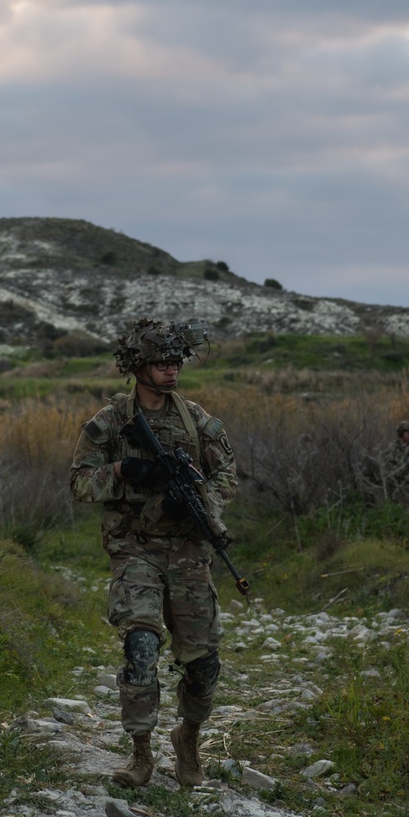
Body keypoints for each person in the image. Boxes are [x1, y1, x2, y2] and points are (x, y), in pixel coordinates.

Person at [70, 317, 237, 789]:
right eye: (161, 363)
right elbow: (80, 483)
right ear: (138, 367)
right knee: (141, 646)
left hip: (188, 550)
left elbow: (228, 474)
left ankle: (188, 738)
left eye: (175, 362)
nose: (171, 371)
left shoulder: (196, 419)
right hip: (135, 550)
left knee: (203, 662)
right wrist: (122, 470)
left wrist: (202, 499)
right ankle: (141, 752)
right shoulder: (109, 423)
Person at [371, 419, 409, 515]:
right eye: (407, 433)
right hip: (399, 484)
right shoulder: (393, 448)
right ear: (401, 433)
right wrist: (404, 466)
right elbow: (389, 467)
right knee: (404, 512)